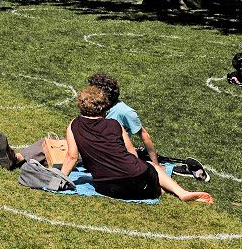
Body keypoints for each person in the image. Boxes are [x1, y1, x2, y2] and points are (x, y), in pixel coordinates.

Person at [59, 85, 213, 204]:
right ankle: (181, 193)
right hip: (137, 179)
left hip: (107, 188)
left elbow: (72, 156)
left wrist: (60, 180)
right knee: (151, 167)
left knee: (145, 176)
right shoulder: (115, 125)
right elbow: (132, 155)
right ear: (105, 107)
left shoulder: (74, 125)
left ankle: (158, 188)